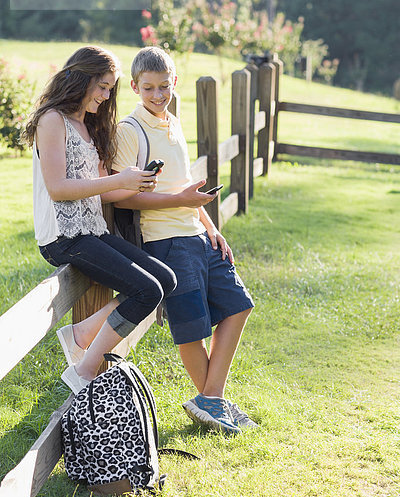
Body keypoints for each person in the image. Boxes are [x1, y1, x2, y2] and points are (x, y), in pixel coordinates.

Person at [111, 46, 257, 434]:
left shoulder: (173, 123)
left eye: (164, 87)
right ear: (134, 87)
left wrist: (211, 227)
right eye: (148, 89)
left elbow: (184, 188)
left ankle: (211, 399)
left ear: (174, 83)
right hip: (165, 241)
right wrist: (181, 202)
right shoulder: (130, 130)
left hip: (196, 235)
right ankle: (214, 403)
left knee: (238, 305)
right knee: (192, 328)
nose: (158, 95)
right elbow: (123, 196)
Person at [22, 45, 177, 395]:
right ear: (82, 78)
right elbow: (58, 188)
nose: (107, 96)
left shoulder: (89, 126)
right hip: (64, 237)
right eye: (103, 86)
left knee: (165, 279)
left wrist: (134, 182)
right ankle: (85, 370)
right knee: (146, 290)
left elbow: (103, 192)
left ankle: (82, 334)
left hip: (92, 230)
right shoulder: (52, 120)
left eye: (111, 89)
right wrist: (117, 180)